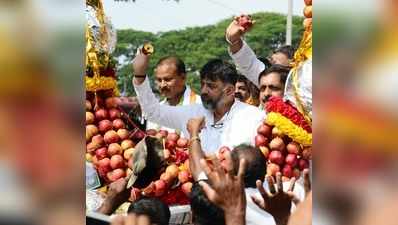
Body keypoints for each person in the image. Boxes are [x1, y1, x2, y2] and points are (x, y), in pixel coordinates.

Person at [132, 50, 265, 154]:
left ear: (229, 91)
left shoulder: (254, 117)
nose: (204, 91)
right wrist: (140, 75)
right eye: (202, 85)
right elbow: (153, 112)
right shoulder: (192, 112)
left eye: (211, 86)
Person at [186, 117, 306, 225]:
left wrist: (194, 132)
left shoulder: (227, 201)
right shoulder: (293, 190)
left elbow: (197, 166)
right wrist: (283, 218)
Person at [225, 15, 292, 94]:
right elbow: (248, 64)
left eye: (277, 66)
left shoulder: (301, 88)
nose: (266, 94)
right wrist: (234, 39)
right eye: (272, 66)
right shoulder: (266, 79)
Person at [145, 56, 201, 133]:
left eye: (167, 79)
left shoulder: (200, 106)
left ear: (183, 78)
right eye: (159, 80)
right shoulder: (156, 109)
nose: (162, 85)